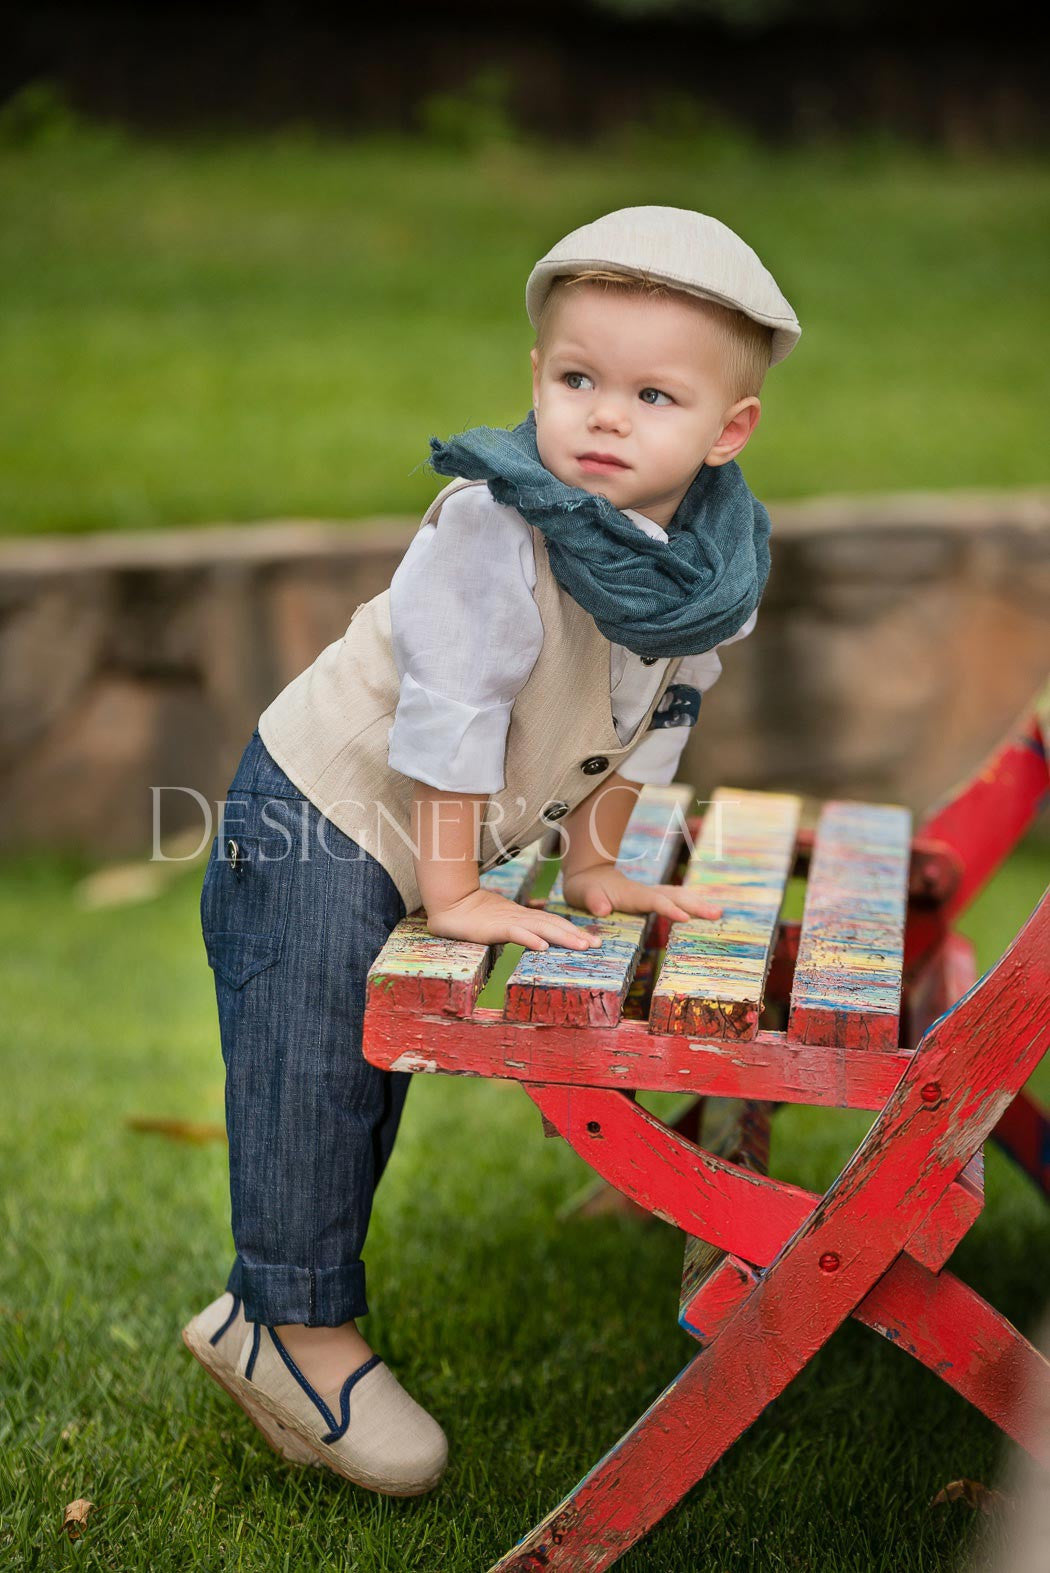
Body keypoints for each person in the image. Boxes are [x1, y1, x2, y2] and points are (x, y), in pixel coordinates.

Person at [182, 205, 801, 1496]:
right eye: (576, 379)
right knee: (315, 1062)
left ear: (728, 430)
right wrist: (455, 888)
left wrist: (593, 865)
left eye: (652, 395)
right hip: (320, 808)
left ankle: (276, 1306)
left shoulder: (708, 567)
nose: (604, 417)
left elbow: (653, 713)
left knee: (364, 1072)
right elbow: (449, 713)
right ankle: (292, 1324)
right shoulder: (495, 522)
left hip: (422, 830)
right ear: (535, 377)